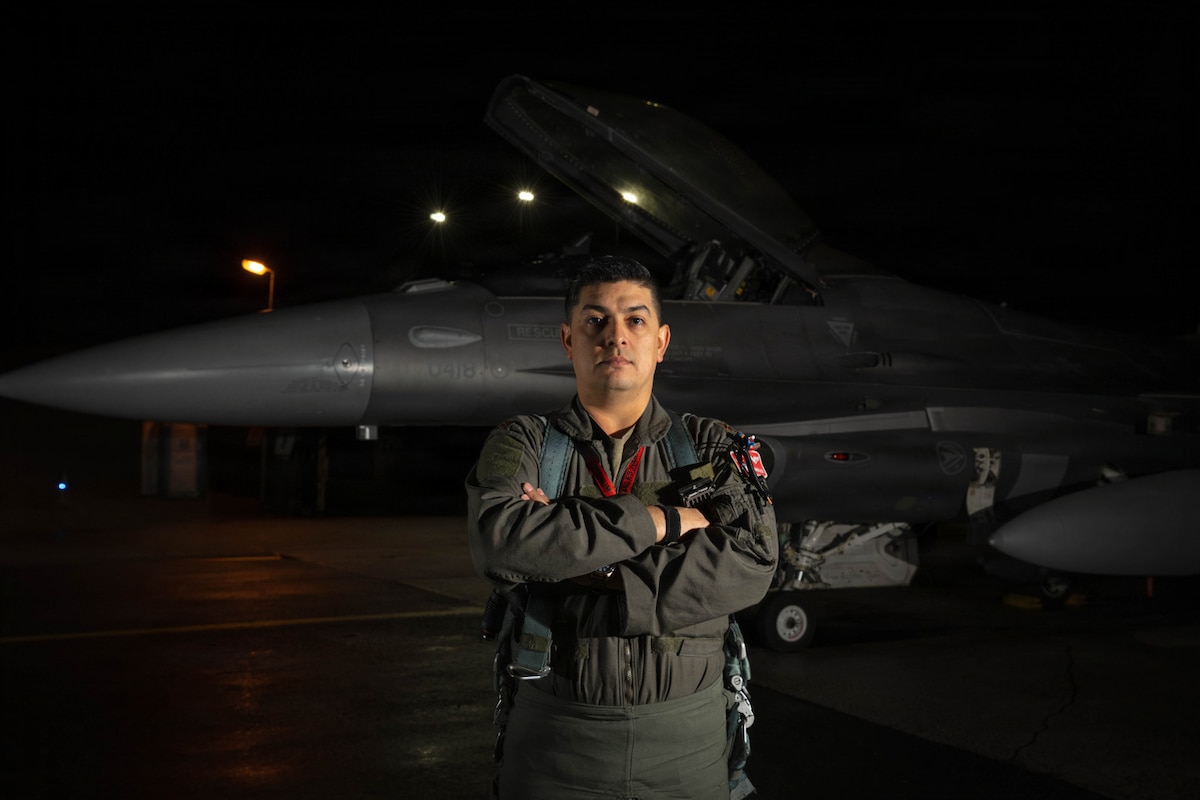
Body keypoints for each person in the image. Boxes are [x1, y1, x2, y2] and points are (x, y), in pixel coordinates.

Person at [466, 255, 778, 799]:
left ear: (660, 341)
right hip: (555, 743)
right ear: (569, 340)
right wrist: (664, 520)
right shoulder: (523, 442)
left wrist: (579, 562)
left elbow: (753, 559)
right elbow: (502, 543)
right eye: (596, 321)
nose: (615, 336)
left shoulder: (711, 446)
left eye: (635, 320)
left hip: (689, 745)